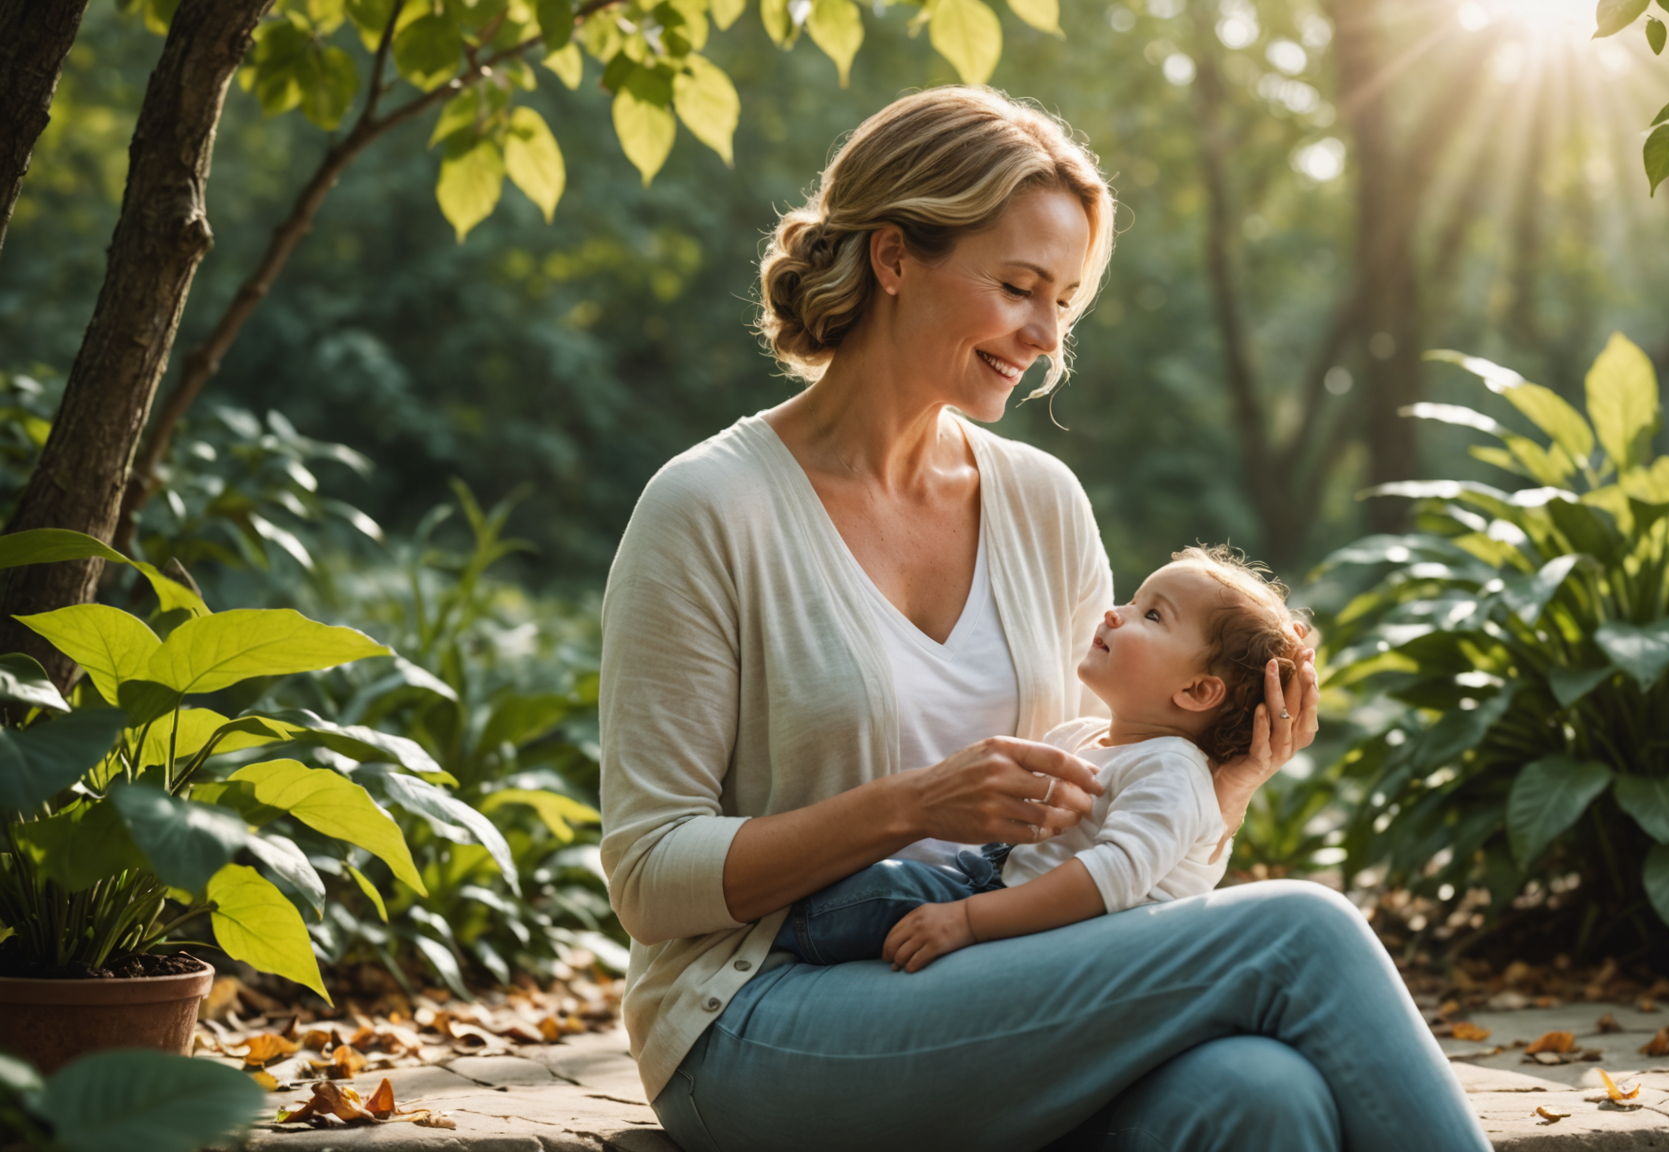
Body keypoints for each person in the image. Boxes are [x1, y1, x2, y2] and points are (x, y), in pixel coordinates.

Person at [599, 85, 1491, 1151]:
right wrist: (913, 804)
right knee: (1303, 931)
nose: (1047, 336)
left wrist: (1226, 783)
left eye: (1064, 301)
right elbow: (650, 879)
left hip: (1005, 977)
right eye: (1020, 287)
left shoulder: (1041, 503)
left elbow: (1111, 829)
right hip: (764, 1011)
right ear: (894, 257)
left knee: (1261, 1093)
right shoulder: (709, 507)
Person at [774, 546, 1304, 972]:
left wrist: (969, 920)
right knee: (891, 882)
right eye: (1133, 599)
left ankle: (777, 937)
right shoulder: (1084, 735)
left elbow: (1109, 878)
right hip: (1000, 888)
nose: (1114, 613)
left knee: (889, 893)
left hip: (1063, 941)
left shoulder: (1173, 771)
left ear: (1196, 691)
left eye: (1152, 615)